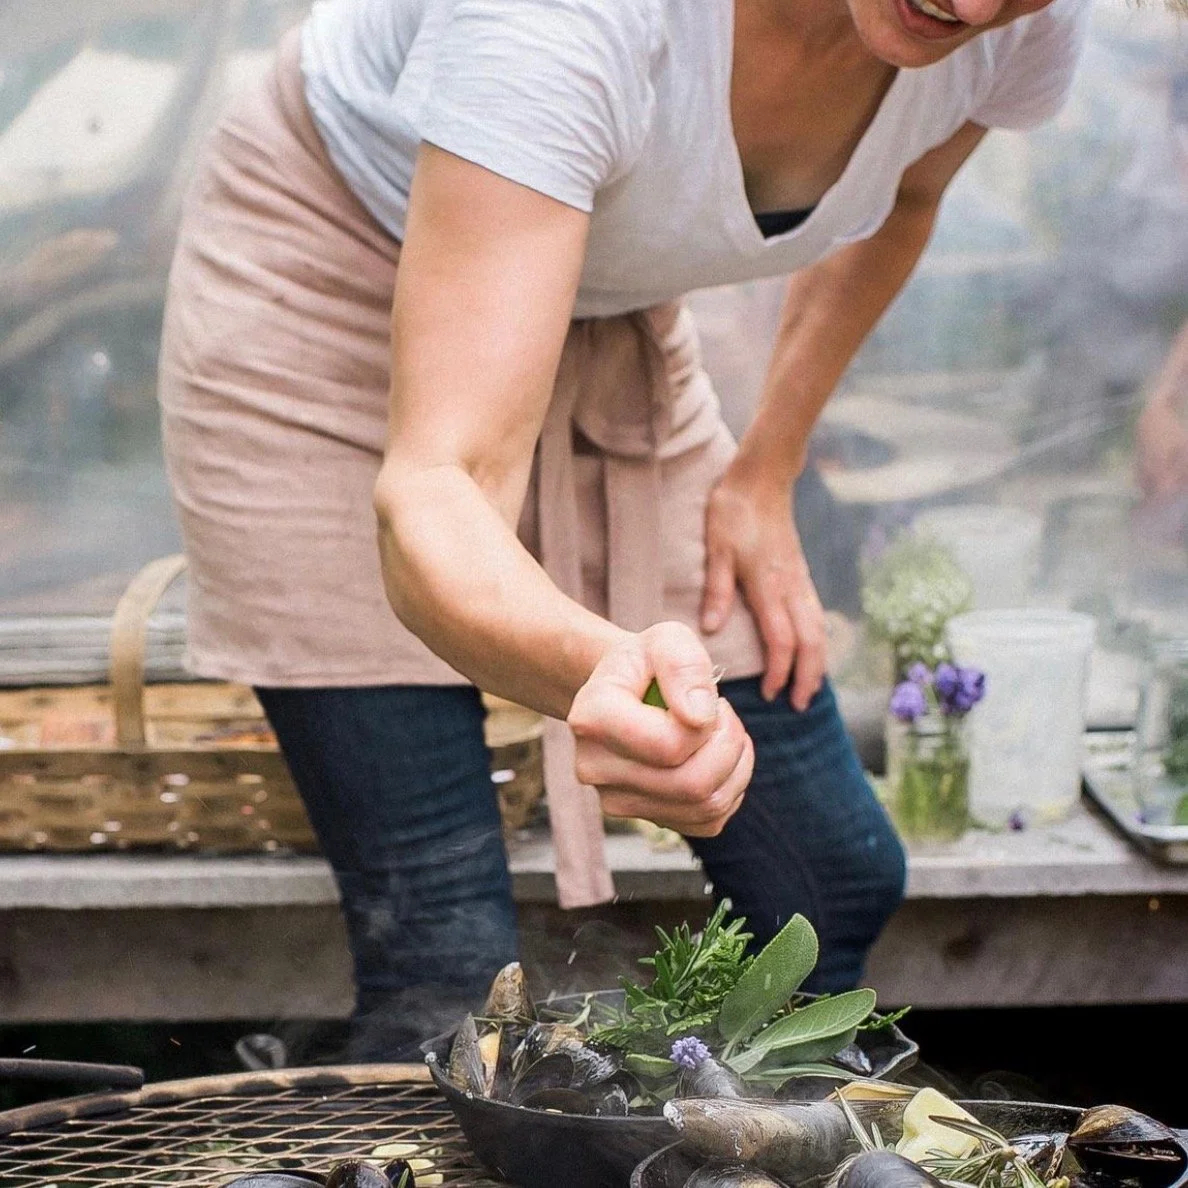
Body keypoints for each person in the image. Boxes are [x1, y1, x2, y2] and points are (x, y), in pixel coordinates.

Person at [159, 0, 1094, 1058]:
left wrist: (766, 470)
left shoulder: (1024, 25)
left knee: (827, 876)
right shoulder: (567, 14)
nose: (968, 5)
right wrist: (593, 666)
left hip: (601, 299)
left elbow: (913, 188)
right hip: (324, 291)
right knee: (446, 966)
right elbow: (441, 489)